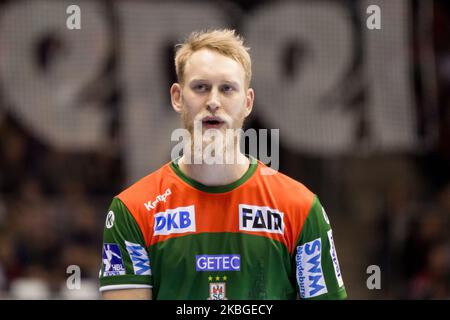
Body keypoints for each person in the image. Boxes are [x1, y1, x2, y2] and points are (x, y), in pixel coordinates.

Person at [99, 29, 347, 300]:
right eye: (201, 87)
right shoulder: (132, 210)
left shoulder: (300, 207)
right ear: (178, 97)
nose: (213, 102)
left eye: (227, 88)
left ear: (248, 102)